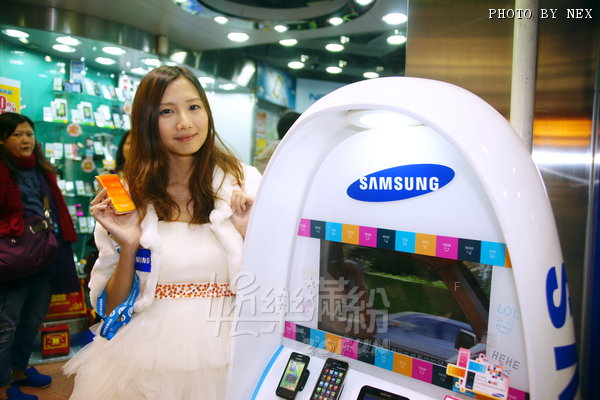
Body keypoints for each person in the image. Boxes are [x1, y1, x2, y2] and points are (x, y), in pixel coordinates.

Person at [63, 65, 261, 399]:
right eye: (167, 111)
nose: (185, 122)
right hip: (145, 355)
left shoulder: (245, 183)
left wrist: (248, 232)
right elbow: (110, 310)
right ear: (146, 121)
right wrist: (129, 244)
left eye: (193, 107)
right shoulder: (128, 197)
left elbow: (278, 277)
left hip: (232, 347)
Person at [0, 112, 78, 400]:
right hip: (13, 257)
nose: (26, 140)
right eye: (17, 134)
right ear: (2, 140)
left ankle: (19, 369)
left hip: (44, 253)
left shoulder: (41, 169)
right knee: (6, 323)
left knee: (33, 318)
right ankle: (3, 384)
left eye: (29, 134)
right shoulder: (3, 170)